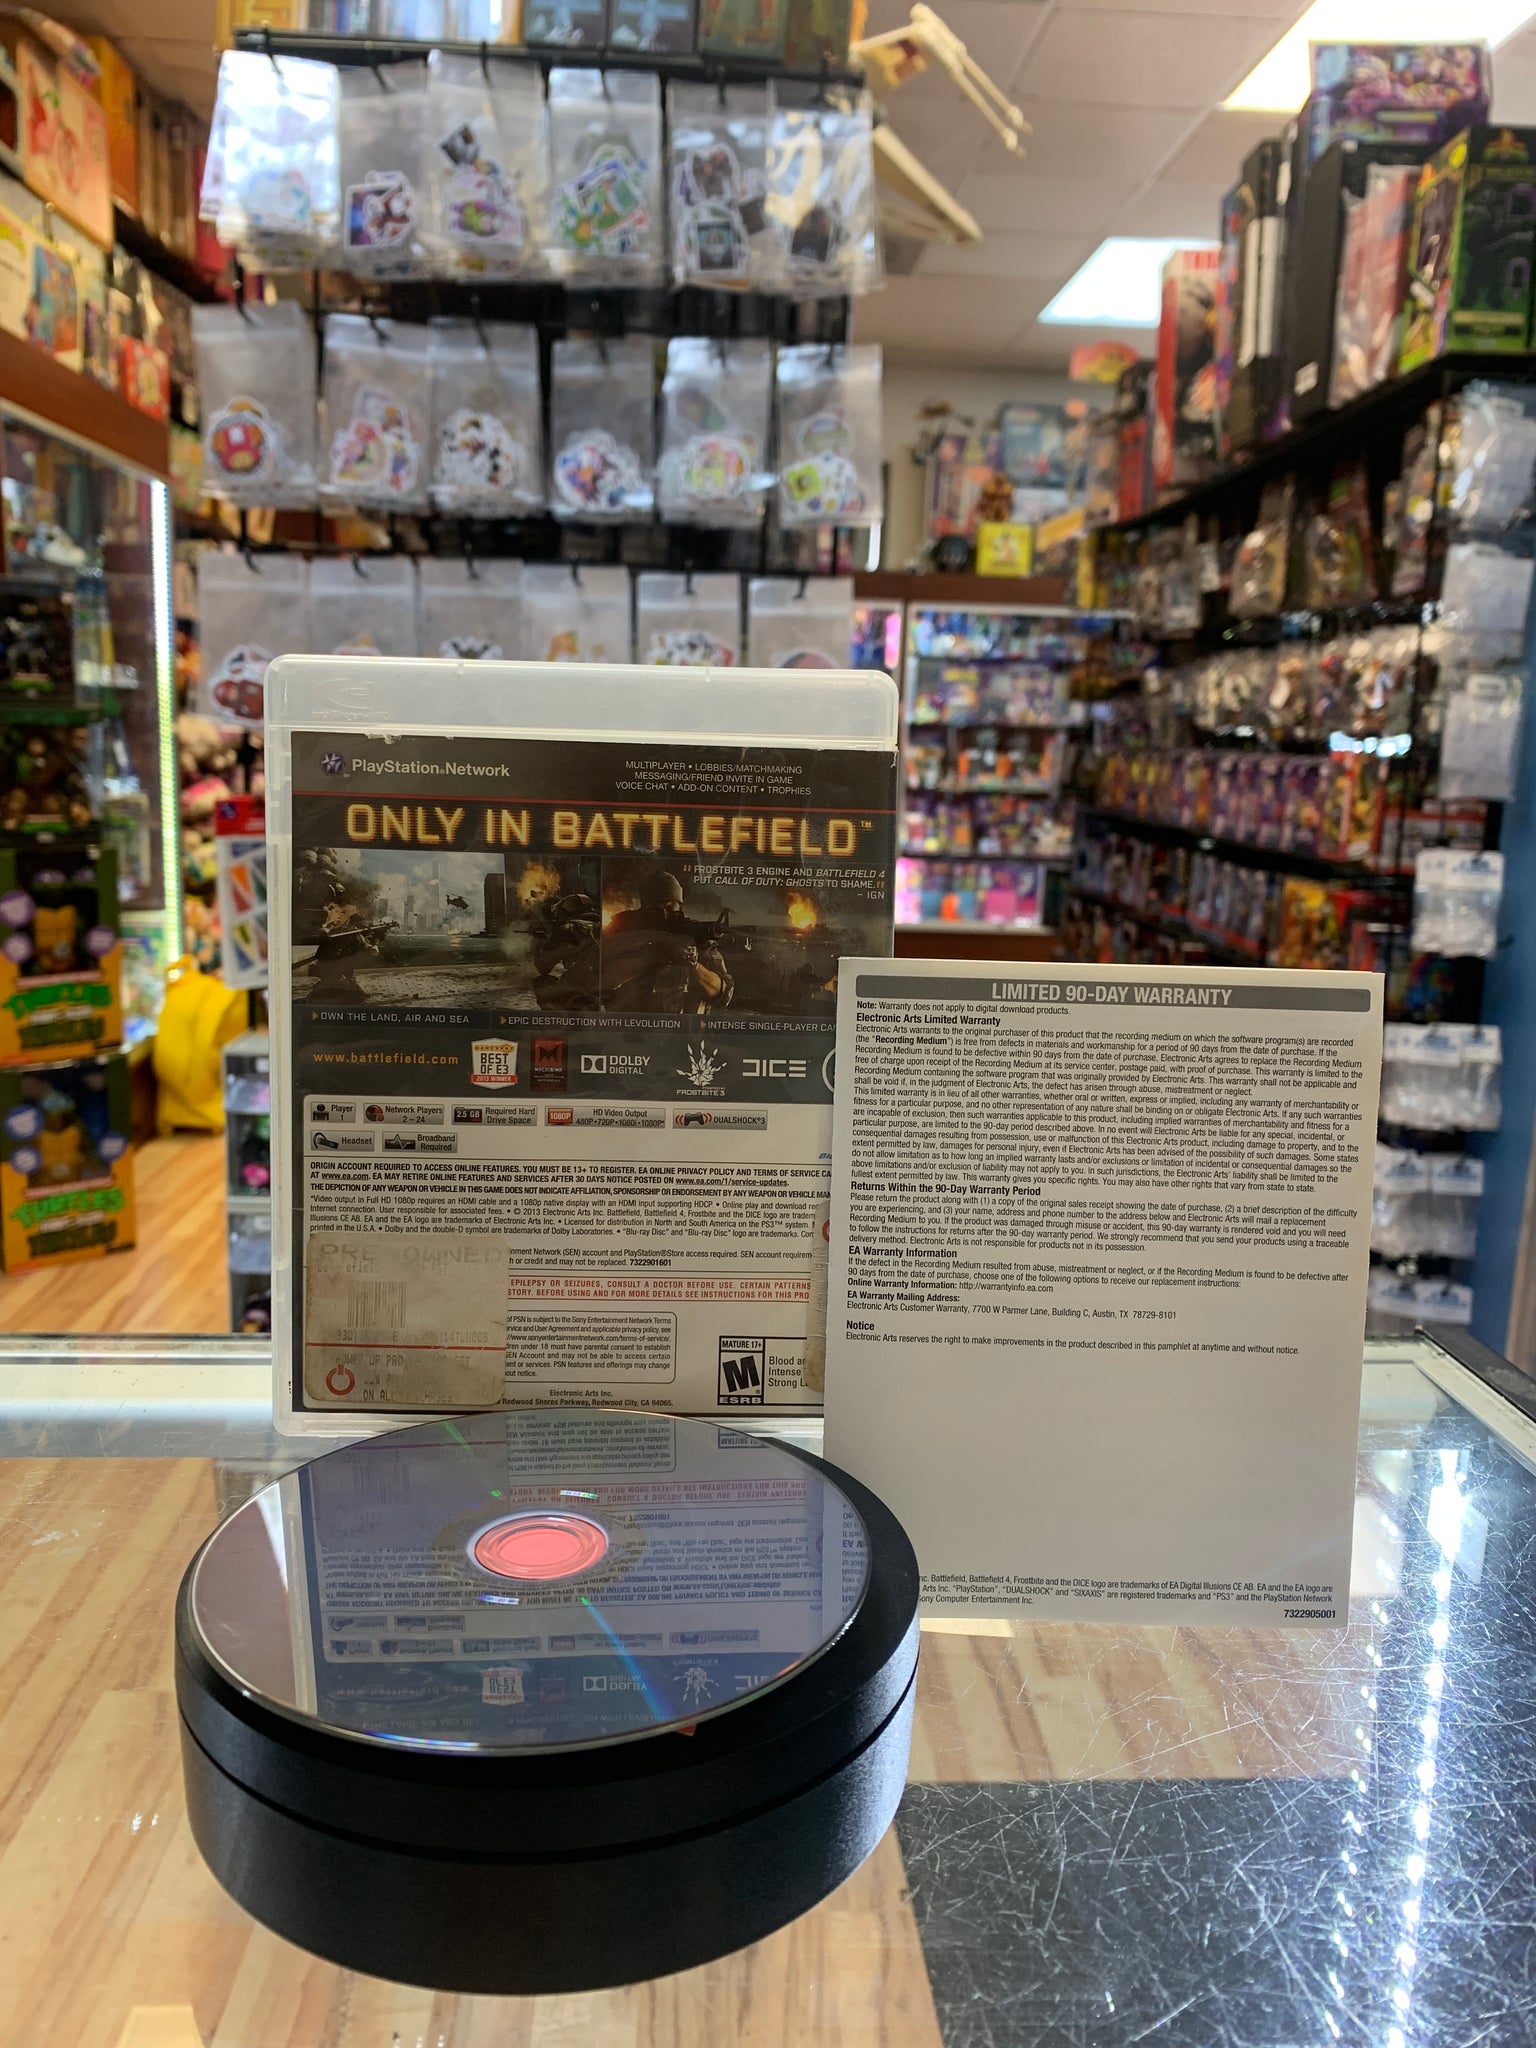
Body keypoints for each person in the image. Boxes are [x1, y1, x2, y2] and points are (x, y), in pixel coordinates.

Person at [602, 870, 734, 1015]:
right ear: (644, 910)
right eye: (656, 909)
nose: (665, 914)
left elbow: (723, 995)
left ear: (680, 907)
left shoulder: (695, 937)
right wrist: (654, 953)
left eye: (671, 907)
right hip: (634, 1027)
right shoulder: (624, 932)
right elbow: (602, 982)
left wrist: (694, 965)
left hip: (685, 1029)